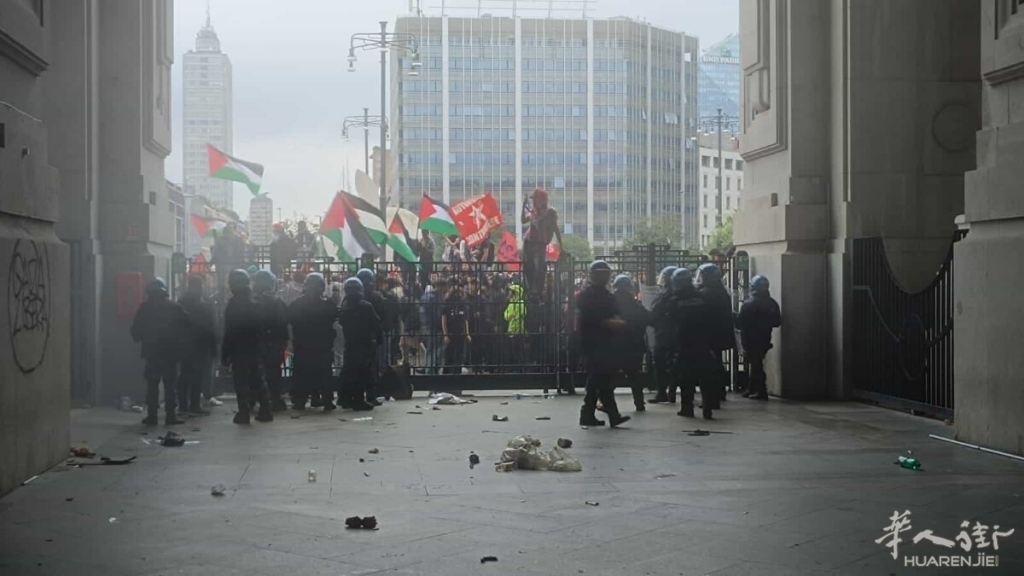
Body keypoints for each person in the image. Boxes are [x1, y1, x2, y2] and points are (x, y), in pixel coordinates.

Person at [575, 261, 631, 428]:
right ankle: (600, 414)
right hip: (593, 342)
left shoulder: (606, 295)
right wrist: (610, 323)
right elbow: (589, 319)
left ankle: (597, 414)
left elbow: (616, 313)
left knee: (602, 379)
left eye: (604, 274)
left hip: (606, 342)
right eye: (599, 274)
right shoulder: (586, 296)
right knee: (598, 379)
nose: (603, 277)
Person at [131, 278, 189, 426]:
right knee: (170, 385)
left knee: (152, 385)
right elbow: (188, 325)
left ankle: (152, 416)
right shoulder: (175, 307)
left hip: (152, 353)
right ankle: (170, 416)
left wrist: (143, 337)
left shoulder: (144, 308)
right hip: (170, 353)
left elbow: (135, 332)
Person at [221, 269, 274, 424]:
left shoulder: (233, 305)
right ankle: (265, 409)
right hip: (254, 348)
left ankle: (244, 412)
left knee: (241, 382)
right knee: (258, 379)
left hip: (239, 349)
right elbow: (262, 328)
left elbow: (229, 331)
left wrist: (225, 354)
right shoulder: (255, 303)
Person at [287, 273, 338, 411]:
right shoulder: (328, 305)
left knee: (301, 374)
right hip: (322, 346)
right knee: (324, 374)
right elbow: (334, 318)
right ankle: (326, 400)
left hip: (303, 346)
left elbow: (290, 321)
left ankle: (300, 401)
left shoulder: (296, 304)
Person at [671, 268, 715, 420]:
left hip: (684, 344)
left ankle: (687, 408)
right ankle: (708, 408)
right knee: (705, 377)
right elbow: (712, 319)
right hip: (703, 343)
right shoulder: (703, 297)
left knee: (686, 378)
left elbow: (667, 320)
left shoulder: (674, 300)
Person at [337, 278, 382, 411]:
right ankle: (358, 400)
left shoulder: (344, 305)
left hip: (350, 343)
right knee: (362, 372)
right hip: (364, 344)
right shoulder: (366, 306)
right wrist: (379, 339)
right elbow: (376, 324)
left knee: (348, 371)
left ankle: (344, 398)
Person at [736, 275, 782, 401]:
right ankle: (752, 388)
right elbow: (777, 322)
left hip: (750, 339)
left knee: (756, 365)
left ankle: (761, 390)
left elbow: (740, 323)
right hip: (764, 338)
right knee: (756, 363)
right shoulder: (772, 303)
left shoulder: (748, 303)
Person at [696, 263, 734, 411]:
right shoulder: (720, 292)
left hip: (710, 335)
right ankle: (720, 392)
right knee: (717, 363)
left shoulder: (707, 293)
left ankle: (712, 397)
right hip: (719, 334)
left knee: (710, 368)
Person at [177, 275, 217, 416]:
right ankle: (194, 405)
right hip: (200, 345)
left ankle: (183, 404)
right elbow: (210, 327)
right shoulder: (204, 304)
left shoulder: (181, 302)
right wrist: (213, 347)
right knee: (197, 376)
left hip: (186, 345)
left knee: (185, 375)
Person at [612, 275, 651, 412]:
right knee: (635, 376)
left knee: (609, 376)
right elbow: (648, 319)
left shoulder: (609, 304)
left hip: (613, 346)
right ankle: (639, 403)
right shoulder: (636, 305)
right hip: (634, 345)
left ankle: (606, 403)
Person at [253, 270, 290, 412]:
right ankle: (275, 399)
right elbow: (283, 322)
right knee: (274, 373)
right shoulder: (276, 302)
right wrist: (283, 341)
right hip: (274, 343)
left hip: (257, 343)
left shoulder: (251, 301)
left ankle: (254, 400)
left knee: (256, 373)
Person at [521, 187, 563, 295]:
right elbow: (523, 220)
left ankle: (538, 292)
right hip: (529, 241)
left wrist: (561, 246)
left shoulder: (550, 212)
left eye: (535, 199)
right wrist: (523, 206)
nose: (534, 201)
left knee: (540, 268)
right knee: (528, 267)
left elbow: (555, 228)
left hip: (540, 242)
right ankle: (530, 290)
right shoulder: (533, 212)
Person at [356, 268, 387, 405]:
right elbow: (381, 319)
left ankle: (355, 395)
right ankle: (370, 395)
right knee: (371, 368)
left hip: (354, 340)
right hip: (371, 338)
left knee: (355, 368)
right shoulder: (376, 298)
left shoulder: (350, 301)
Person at [649, 266, 678, 403]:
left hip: (664, 334)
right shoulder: (684, 294)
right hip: (680, 335)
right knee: (676, 365)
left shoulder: (664, 296)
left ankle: (662, 392)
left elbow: (654, 314)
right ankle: (672, 392)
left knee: (660, 364)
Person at [442, 280, 471, 374]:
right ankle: (447, 373)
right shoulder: (447, 302)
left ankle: (457, 373)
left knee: (459, 354)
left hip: (460, 332)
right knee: (449, 354)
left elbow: (465, 319)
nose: (458, 294)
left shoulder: (463, 303)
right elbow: (444, 319)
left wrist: (467, 333)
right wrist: (445, 334)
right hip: (451, 332)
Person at [504, 282, 527, 369]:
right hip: (511, 331)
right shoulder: (510, 303)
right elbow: (506, 315)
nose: (509, 293)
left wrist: (510, 316)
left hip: (518, 331)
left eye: (511, 291)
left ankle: (520, 368)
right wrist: (510, 316)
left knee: (518, 351)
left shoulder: (520, 303)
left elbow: (518, 315)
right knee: (512, 351)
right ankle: (515, 368)